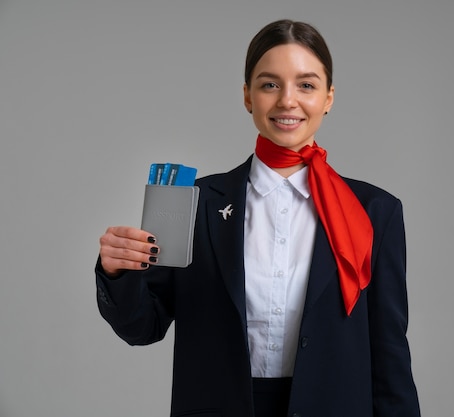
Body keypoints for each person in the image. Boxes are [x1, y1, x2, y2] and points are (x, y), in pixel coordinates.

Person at [96, 19, 420, 417]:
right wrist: (119, 272)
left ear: (328, 97)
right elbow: (142, 327)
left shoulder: (375, 211)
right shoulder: (193, 202)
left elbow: (389, 354)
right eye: (269, 84)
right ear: (247, 96)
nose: (287, 100)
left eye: (306, 85)